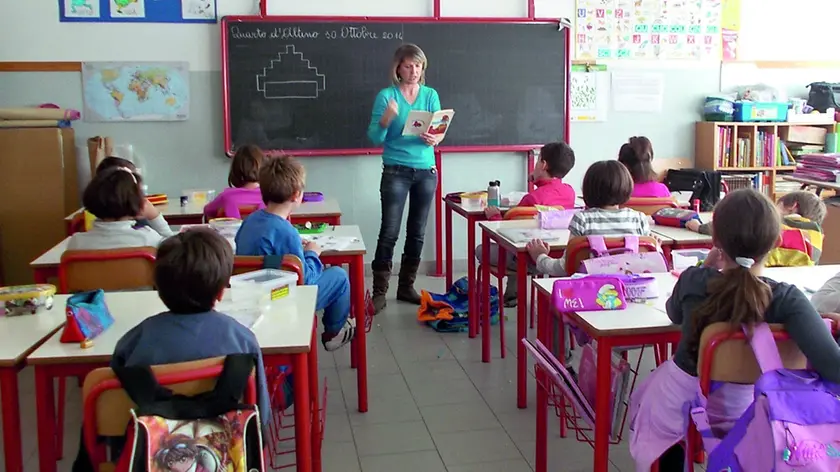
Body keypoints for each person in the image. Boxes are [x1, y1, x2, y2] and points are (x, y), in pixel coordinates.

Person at [628, 188, 840, 471]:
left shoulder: (694, 281)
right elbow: (834, 369)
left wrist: (704, 267)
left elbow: (674, 314)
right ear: (776, 242)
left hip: (684, 408)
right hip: (755, 413)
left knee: (657, 396)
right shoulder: (788, 299)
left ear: (715, 240)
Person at [69, 229, 271, 472]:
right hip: (225, 458)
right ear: (220, 291)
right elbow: (261, 417)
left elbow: (115, 420)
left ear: (159, 290)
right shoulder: (243, 340)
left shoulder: (132, 342)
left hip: (145, 458)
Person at [234, 155, 355, 351]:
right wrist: (312, 254)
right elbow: (305, 280)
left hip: (250, 297)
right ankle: (334, 332)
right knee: (339, 277)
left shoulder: (251, 221)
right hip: (282, 298)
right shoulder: (286, 232)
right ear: (296, 195)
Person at [367, 43, 444, 313]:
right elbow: (375, 138)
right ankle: (379, 292)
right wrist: (386, 121)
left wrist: (435, 137)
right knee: (389, 230)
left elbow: (439, 131)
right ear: (398, 67)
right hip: (396, 169)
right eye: (409, 65)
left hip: (426, 171)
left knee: (417, 232)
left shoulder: (430, 95)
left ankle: (406, 286)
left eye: (418, 66)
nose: (414, 71)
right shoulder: (386, 97)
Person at [477, 141, 577, 306]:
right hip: (558, 256)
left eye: (538, 161)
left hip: (529, 259)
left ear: (543, 165)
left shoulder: (531, 199)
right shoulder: (569, 192)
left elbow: (507, 234)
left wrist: (495, 217)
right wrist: (537, 181)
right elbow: (550, 194)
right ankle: (512, 294)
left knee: (484, 250)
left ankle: (512, 295)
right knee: (523, 243)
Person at [526, 160, 651, 276]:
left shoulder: (583, 220)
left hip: (591, 294)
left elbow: (564, 268)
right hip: (632, 292)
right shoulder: (639, 219)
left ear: (587, 189)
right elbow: (650, 263)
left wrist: (540, 257)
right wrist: (658, 248)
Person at [687, 191, 826, 265]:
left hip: (750, 272)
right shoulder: (817, 235)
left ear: (792, 206)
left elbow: (731, 224)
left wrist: (699, 227)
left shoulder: (773, 224)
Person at [68, 166, 172, 250]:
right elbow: (174, 250)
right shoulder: (147, 239)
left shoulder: (77, 243)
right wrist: (154, 216)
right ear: (137, 201)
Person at [203, 144, 266, 219]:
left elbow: (207, 211)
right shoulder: (271, 197)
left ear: (235, 170)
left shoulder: (226, 196)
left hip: (230, 230)